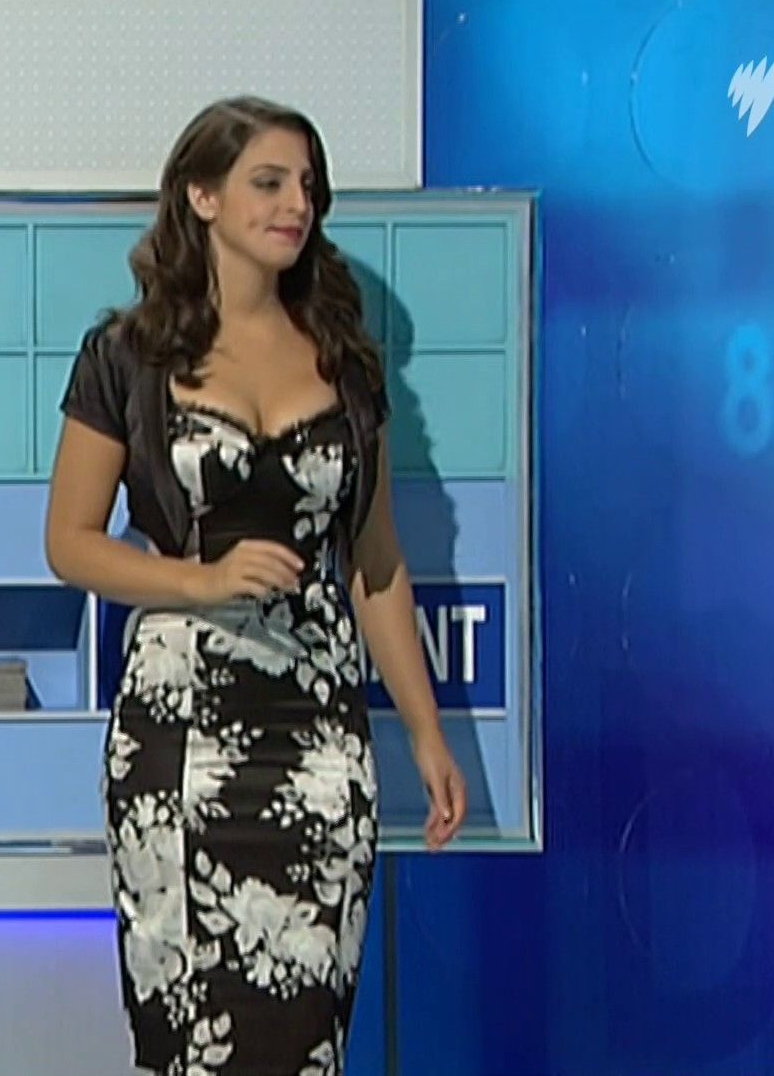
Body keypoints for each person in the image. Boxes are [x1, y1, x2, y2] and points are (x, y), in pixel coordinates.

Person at [43, 95, 467, 1076]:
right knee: (190, 1037)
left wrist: (427, 733)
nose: (295, 206)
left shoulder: (347, 366)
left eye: (307, 187)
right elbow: (69, 543)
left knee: (304, 1038)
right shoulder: (126, 357)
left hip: (318, 738)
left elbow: (377, 564)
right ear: (202, 197)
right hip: (180, 734)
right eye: (268, 183)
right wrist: (198, 581)